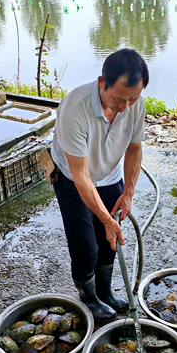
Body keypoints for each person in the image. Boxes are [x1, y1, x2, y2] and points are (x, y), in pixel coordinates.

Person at [49, 48, 147, 322]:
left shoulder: (134, 103)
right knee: (85, 246)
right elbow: (81, 176)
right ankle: (89, 297)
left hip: (110, 176)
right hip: (72, 179)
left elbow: (135, 149)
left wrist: (128, 192)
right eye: (118, 98)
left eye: (133, 99)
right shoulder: (74, 109)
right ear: (102, 83)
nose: (125, 106)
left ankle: (105, 292)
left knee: (109, 241)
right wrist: (105, 218)